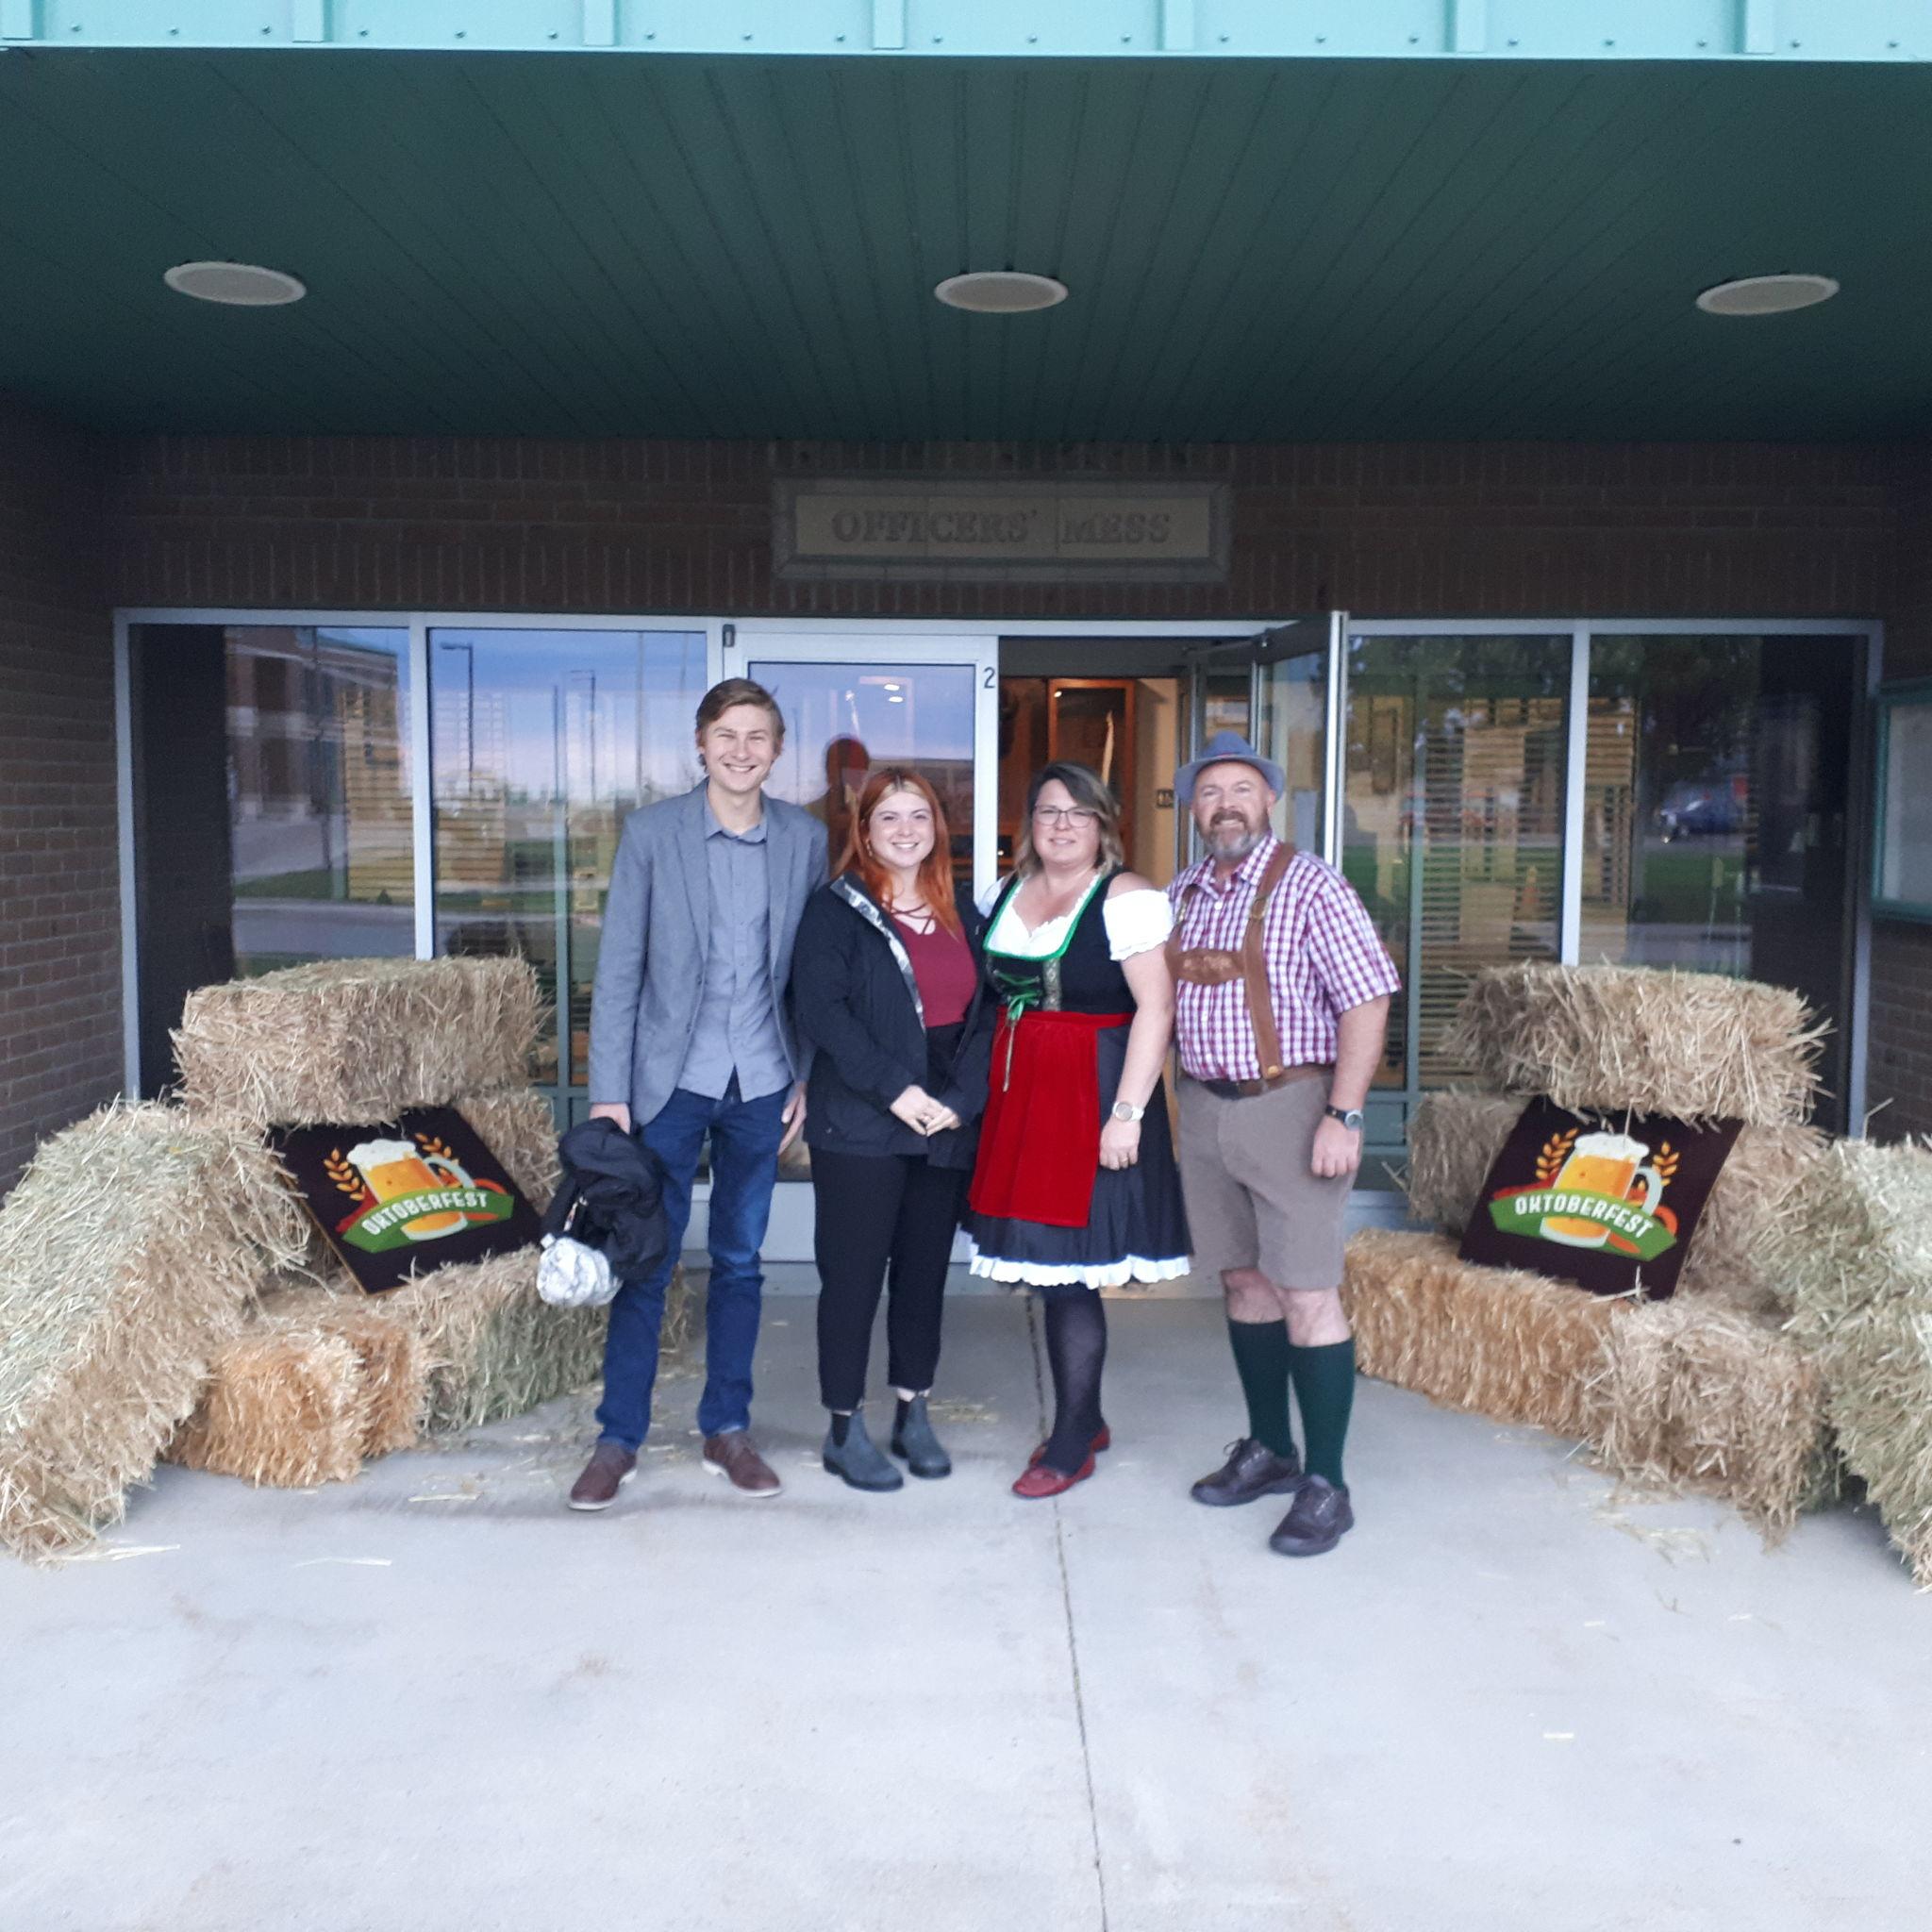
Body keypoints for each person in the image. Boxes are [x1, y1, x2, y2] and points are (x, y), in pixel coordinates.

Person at [570, 677, 826, 1511]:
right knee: (647, 1261)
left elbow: (812, 974)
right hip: (667, 1086)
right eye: (727, 734)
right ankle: (619, 1439)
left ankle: (727, 1430)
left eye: (758, 737)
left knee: (741, 1262)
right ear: (701, 743)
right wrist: (609, 1091)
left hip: (761, 1083)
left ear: (777, 750)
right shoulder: (653, 834)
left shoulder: (804, 839)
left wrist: (805, 1074)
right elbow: (619, 971)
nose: (741, 751)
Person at [1166, 732, 1399, 1557]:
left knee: (1306, 1291)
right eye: (1208, 793)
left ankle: (1327, 1484)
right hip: (1205, 1108)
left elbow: (1367, 999)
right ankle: (1270, 1449)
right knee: (1242, 1280)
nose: (1224, 805)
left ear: (1268, 800)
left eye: (1240, 789)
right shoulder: (1183, 892)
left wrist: (1345, 1113)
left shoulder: (1311, 883)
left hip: (1293, 1105)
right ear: (1193, 809)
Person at [967, 761, 1190, 1499]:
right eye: (1048, 811)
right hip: (1021, 1094)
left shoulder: (1127, 899)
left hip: (1093, 1092)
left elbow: (1156, 1008)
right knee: (1043, 1262)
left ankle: (1071, 1439)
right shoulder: (1002, 894)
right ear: (1029, 823)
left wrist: (1127, 1114)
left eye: (1078, 813)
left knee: (1069, 1269)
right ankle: (1085, 1418)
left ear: (1103, 825)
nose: (1062, 825)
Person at [791, 770, 995, 1491]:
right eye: (889, 817)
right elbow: (823, 1012)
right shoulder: (835, 910)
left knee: (923, 1275)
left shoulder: (961, 910)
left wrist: (963, 1099)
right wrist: (895, 1090)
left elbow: (989, 1012)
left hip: (943, 1122)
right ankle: (844, 1428)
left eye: (918, 816)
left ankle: (914, 1411)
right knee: (852, 1279)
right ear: (865, 831)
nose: (905, 830)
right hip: (861, 1121)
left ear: (937, 828)